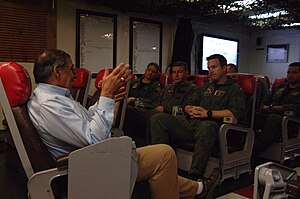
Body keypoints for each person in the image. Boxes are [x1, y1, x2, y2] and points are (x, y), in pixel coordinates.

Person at [27, 49, 220, 199]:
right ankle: (197, 189)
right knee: (164, 154)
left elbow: (86, 121)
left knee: (160, 161)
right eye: (71, 68)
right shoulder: (50, 104)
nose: (75, 74)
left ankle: (197, 189)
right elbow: (94, 138)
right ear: (57, 72)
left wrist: (111, 99)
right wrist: (106, 97)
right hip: (89, 165)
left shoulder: (51, 97)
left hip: (88, 158)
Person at [151, 54, 246, 179]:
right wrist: (189, 109)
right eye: (209, 68)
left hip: (215, 127)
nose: (210, 71)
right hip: (192, 124)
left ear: (224, 68)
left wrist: (209, 113)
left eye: (214, 67)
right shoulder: (205, 88)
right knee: (158, 119)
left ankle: (195, 176)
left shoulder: (234, 90)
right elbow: (185, 105)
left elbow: (236, 113)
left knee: (207, 126)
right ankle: (162, 167)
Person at [124, 61, 196, 146]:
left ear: (186, 73)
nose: (176, 75)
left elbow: (187, 109)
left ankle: (153, 150)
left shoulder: (192, 89)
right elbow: (155, 103)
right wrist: (136, 101)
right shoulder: (168, 87)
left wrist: (165, 109)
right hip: (155, 112)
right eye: (174, 72)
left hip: (175, 119)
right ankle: (128, 146)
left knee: (154, 116)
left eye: (179, 72)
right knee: (128, 111)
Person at [252, 62, 300, 161]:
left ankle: (255, 150)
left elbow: (295, 107)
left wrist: (274, 108)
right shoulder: (279, 87)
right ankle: (240, 143)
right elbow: (264, 102)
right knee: (252, 115)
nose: (290, 75)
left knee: (273, 119)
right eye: (288, 72)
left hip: (290, 122)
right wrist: (269, 107)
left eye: (294, 72)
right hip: (269, 116)